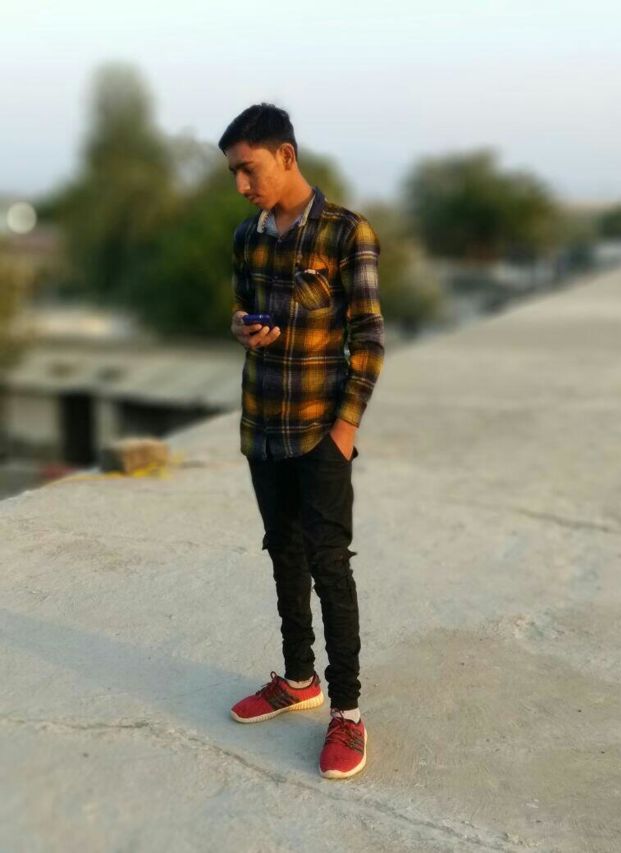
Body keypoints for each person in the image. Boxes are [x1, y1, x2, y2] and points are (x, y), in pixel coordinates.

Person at [218, 103, 384, 779]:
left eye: (248, 169)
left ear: (286, 155)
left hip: (319, 429)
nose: (241, 185)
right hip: (262, 424)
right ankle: (297, 679)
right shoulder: (248, 236)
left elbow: (368, 338)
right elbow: (241, 309)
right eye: (233, 173)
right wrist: (242, 327)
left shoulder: (346, 232)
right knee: (282, 551)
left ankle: (346, 710)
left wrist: (344, 429)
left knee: (329, 564)